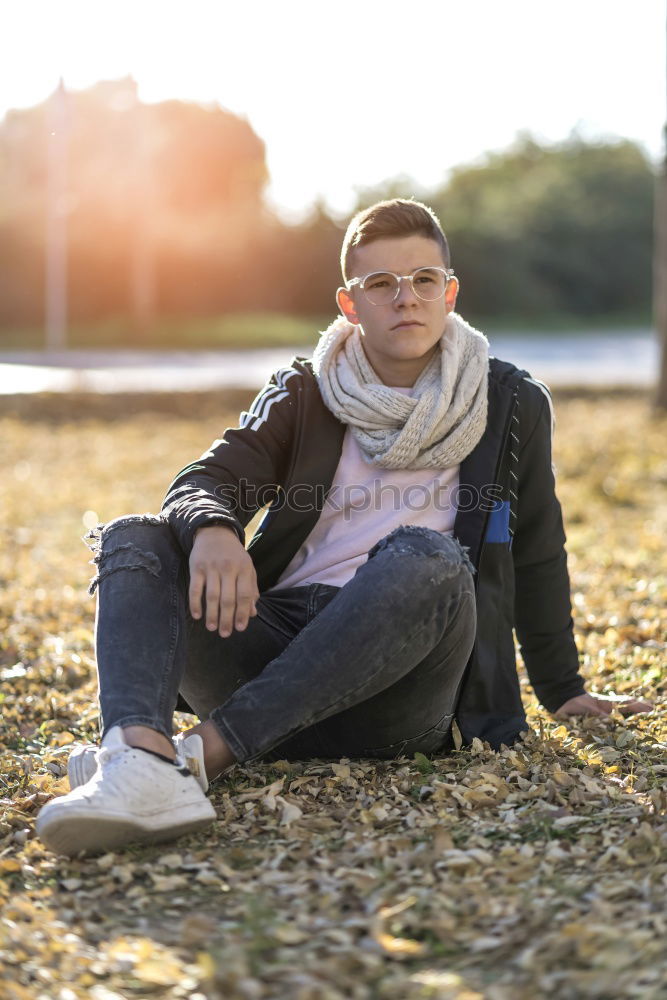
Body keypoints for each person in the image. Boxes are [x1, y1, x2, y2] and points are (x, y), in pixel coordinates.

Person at [36, 198, 652, 857]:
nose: (404, 298)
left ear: (449, 292)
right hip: (270, 655)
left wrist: (563, 690)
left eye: (422, 280)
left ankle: (197, 759)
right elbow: (203, 481)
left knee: (429, 556)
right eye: (379, 284)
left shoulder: (510, 402)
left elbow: (536, 548)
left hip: (403, 686)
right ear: (350, 304)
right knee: (136, 534)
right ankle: (137, 756)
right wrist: (215, 530)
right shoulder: (306, 390)